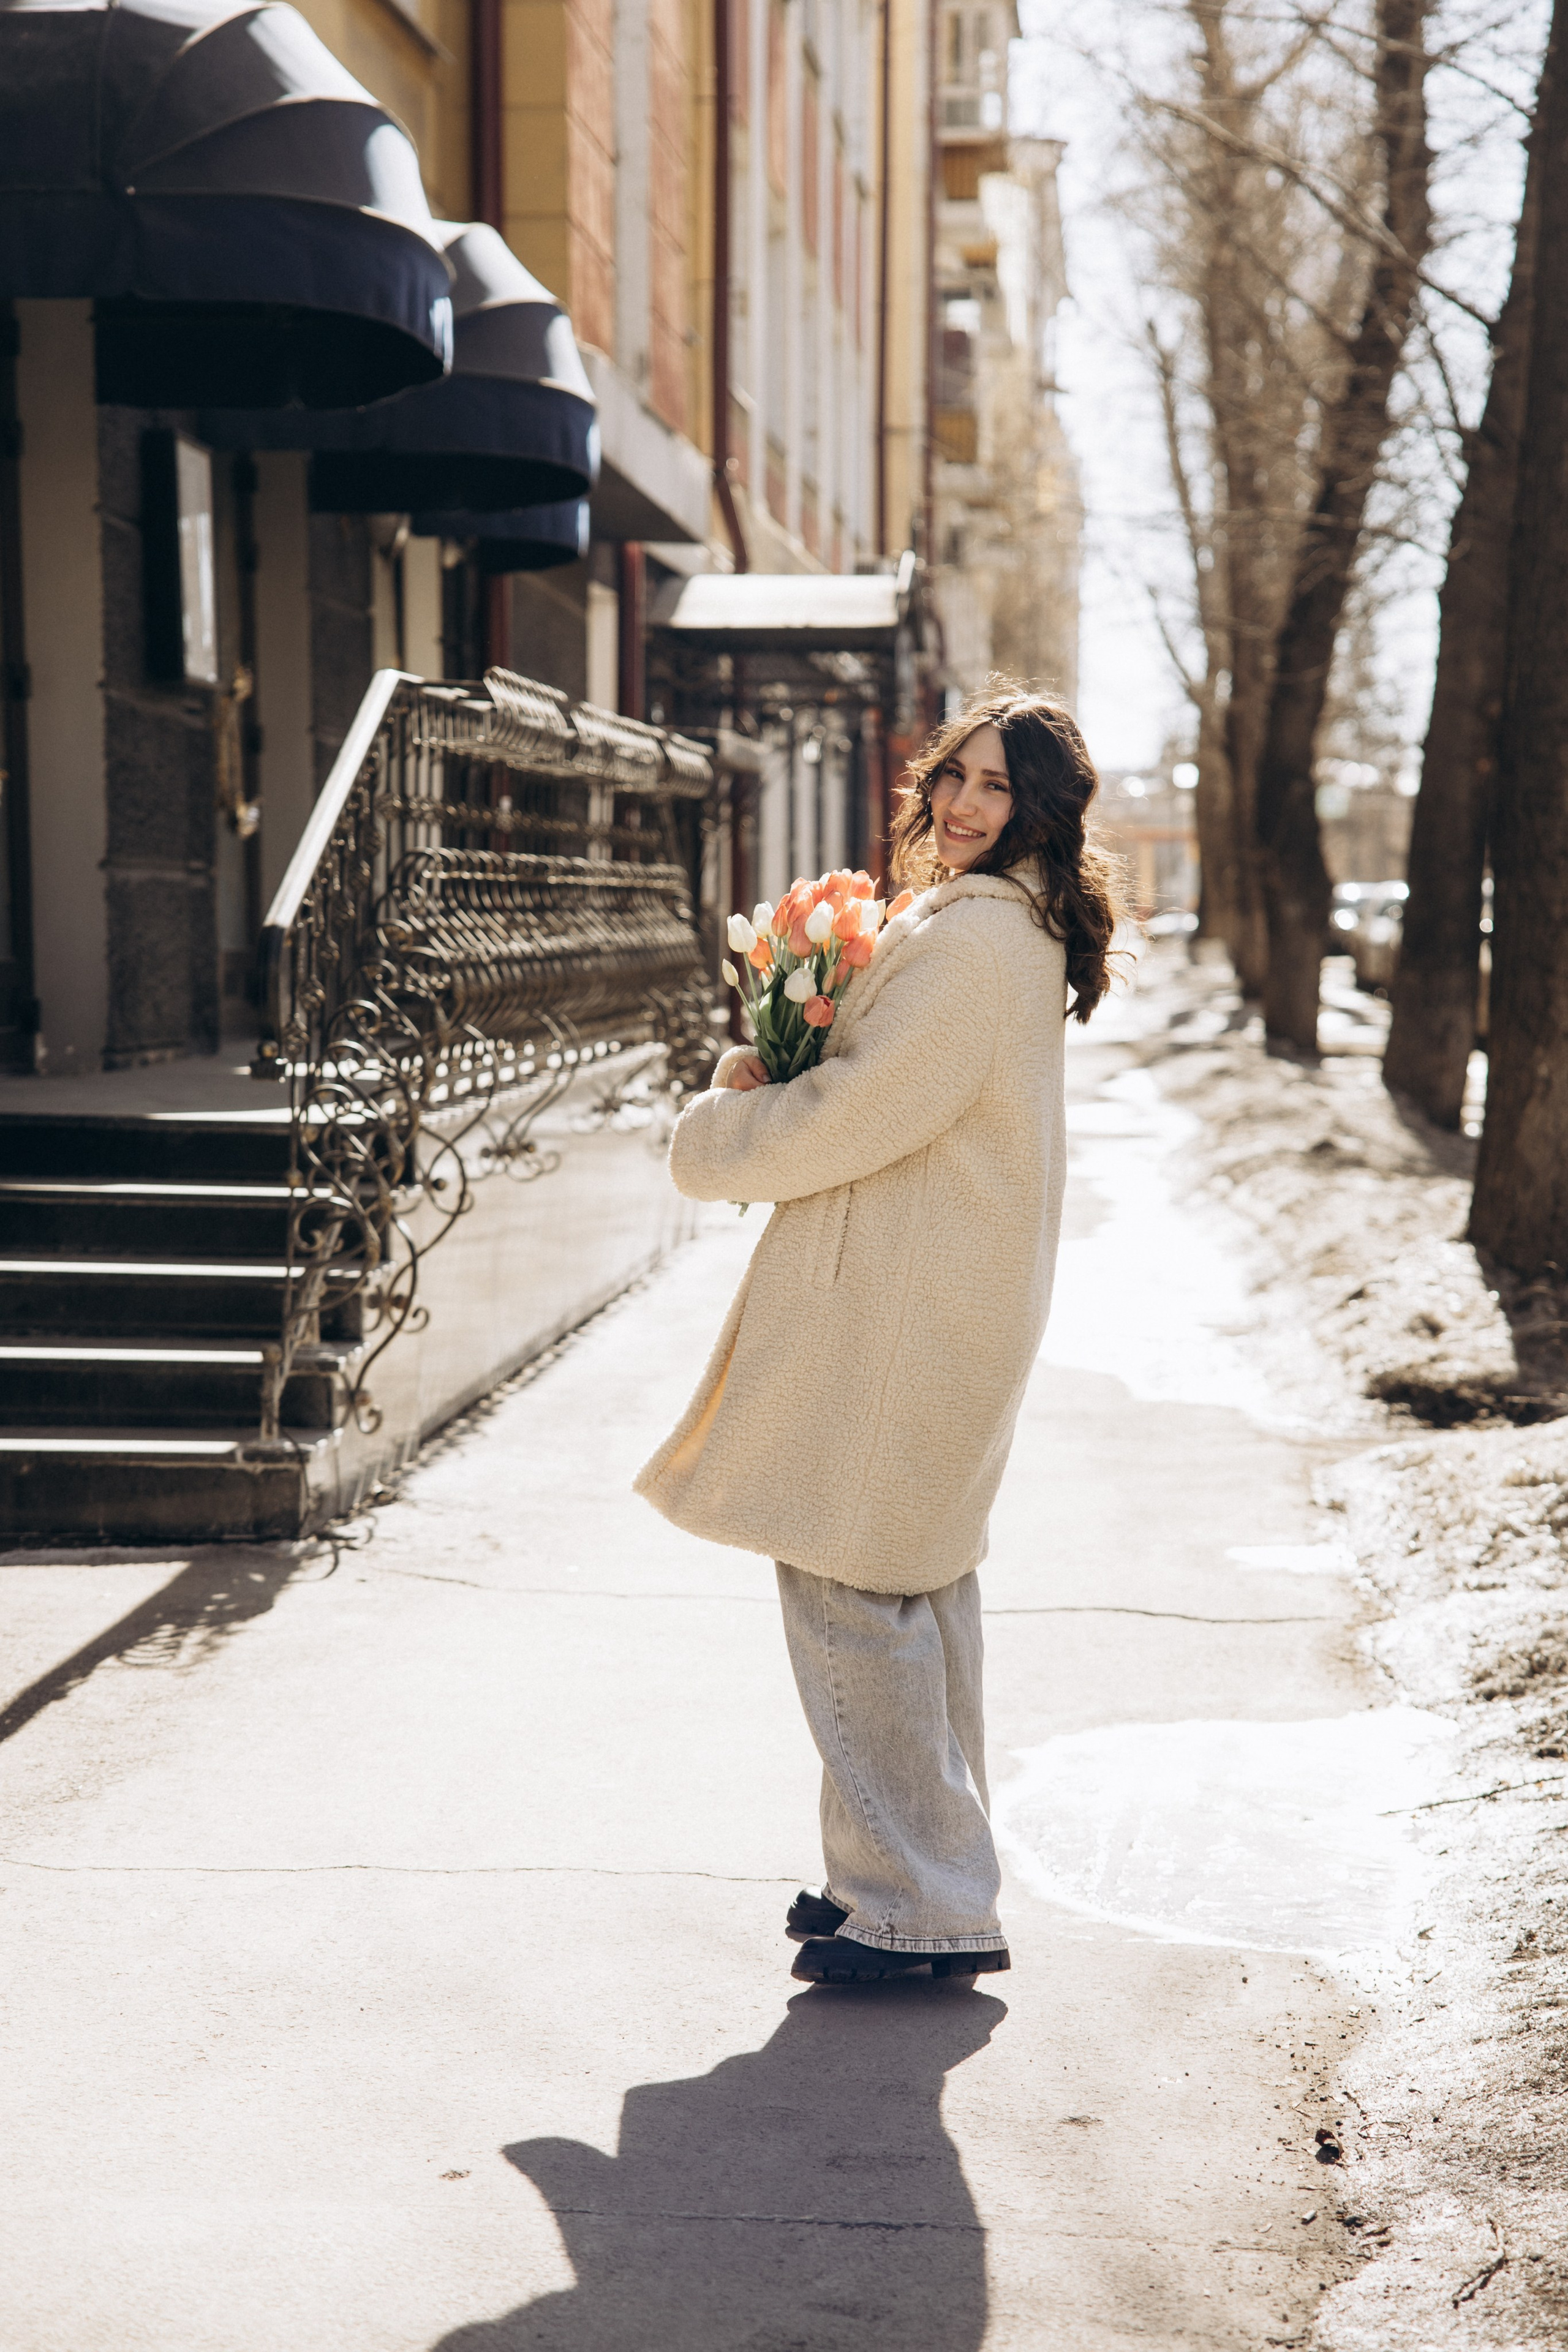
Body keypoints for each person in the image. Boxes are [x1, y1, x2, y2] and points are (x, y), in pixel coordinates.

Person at [635, 687, 1123, 1983]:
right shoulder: (999, 925)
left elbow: (864, 1113)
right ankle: (900, 1879)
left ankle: (919, 1904)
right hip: (933, 1295)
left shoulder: (974, 943)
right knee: (909, 1588)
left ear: (1039, 810)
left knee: (850, 1587)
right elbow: (890, 1090)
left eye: (996, 786)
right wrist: (781, 1061)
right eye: (954, 775)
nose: (962, 803)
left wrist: (720, 1131)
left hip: (905, 1308)